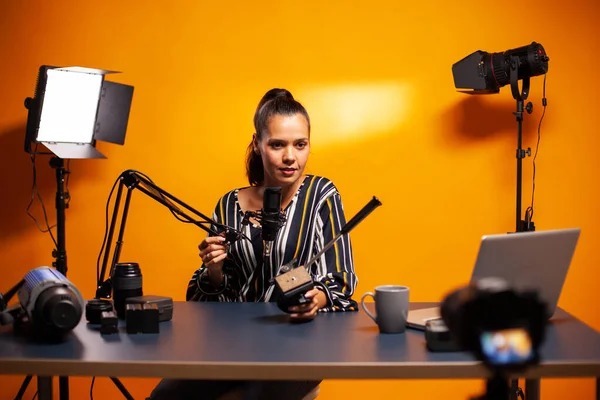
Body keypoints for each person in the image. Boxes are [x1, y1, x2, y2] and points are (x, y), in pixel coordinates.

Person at [147, 88, 358, 400]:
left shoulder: (321, 195)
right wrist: (214, 271)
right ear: (258, 145)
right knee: (165, 397)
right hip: (231, 347)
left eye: (300, 144)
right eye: (277, 145)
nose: (291, 156)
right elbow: (207, 301)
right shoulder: (229, 205)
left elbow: (341, 279)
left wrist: (319, 298)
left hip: (299, 346)